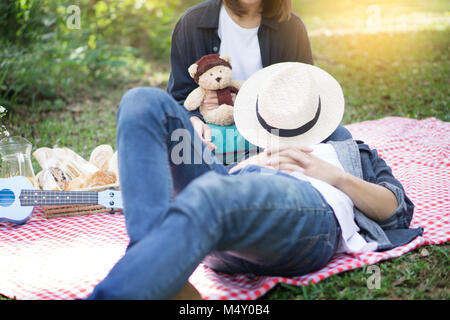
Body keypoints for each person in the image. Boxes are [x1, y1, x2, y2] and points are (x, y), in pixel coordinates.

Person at [87, 63, 422, 299]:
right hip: (228, 198)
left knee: (211, 193)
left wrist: (332, 175)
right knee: (142, 101)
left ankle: (135, 283)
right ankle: (155, 267)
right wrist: (212, 149)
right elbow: (226, 178)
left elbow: (395, 209)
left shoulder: (348, 148)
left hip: (305, 212)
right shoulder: (253, 143)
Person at [167, 0, 352, 154]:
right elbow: (179, 97)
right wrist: (194, 120)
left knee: (342, 139)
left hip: (276, 130)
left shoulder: (291, 27)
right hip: (215, 130)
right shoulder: (192, 23)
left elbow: (304, 90)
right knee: (179, 146)